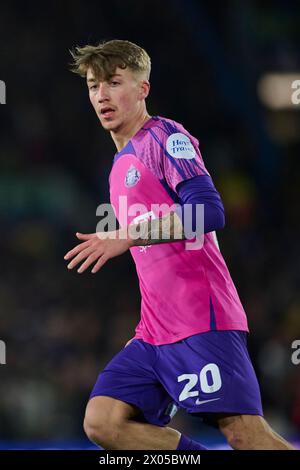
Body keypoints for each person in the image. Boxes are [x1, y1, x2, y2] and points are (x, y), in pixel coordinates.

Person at [64, 39, 294, 450]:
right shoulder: (118, 166)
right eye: (93, 85)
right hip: (154, 330)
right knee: (103, 422)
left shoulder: (165, 137)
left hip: (200, 318)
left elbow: (208, 213)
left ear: (142, 89)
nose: (101, 95)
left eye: (114, 82)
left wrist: (127, 234)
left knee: (244, 435)